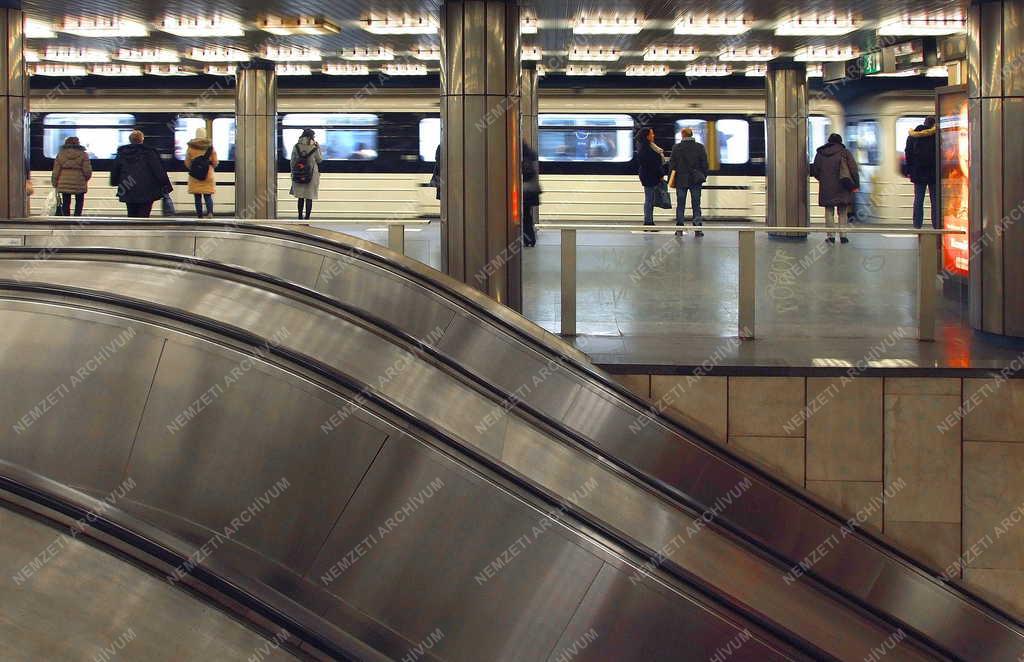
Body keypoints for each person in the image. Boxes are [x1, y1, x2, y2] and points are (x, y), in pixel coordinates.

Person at [810, 133, 860, 244]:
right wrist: (855, 185)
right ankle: (843, 236)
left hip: (827, 187)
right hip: (843, 186)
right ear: (840, 142)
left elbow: (815, 171)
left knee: (829, 212)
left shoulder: (820, 153)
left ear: (829, 141)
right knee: (842, 212)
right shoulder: (845, 153)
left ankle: (831, 236)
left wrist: (824, 179)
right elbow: (853, 170)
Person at [110, 130, 171, 218]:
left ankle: (132, 230)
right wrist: (165, 186)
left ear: (130, 140)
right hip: (147, 189)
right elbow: (159, 170)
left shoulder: (122, 152)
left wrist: (114, 182)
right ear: (142, 139)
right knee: (144, 215)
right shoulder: (150, 152)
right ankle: (142, 230)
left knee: (131, 214)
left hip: (128, 187)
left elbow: (115, 169)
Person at [668, 126, 708, 237]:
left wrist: (671, 179)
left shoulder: (677, 147)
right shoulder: (700, 147)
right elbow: (705, 164)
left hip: (681, 180)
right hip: (696, 180)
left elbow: (672, 165)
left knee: (680, 204)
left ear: (683, 135)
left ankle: (679, 228)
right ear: (691, 135)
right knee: (696, 204)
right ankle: (698, 228)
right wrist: (703, 176)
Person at [905, 116, 939, 229]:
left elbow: (908, 154)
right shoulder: (936, 136)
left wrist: (910, 170)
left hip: (918, 173)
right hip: (933, 174)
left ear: (924, 123)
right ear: (933, 125)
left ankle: (917, 225)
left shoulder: (912, 136)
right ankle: (936, 225)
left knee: (918, 200)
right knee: (935, 201)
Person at [51, 136, 92, 216]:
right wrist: (85, 179)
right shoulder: (83, 154)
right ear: (78, 143)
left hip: (64, 182)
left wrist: (54, 182)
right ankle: (77, 217)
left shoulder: (61, 154)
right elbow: (87, 171)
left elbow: (56, 170)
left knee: (66, 202)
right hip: (79, 182)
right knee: (79, 201)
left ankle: (66, 218)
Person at [184, 127, 218, 219]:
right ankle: (210, 213)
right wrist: (209, 167)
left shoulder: (191, 147)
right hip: (208, 175)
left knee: (197, 196)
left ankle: (200, 215)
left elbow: (187, 162)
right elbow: (215, 162)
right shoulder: (210, 147)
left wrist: (194, 169)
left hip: (195, 176)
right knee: (207, 195)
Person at [290, 128, 323, 220]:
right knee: (309, 197)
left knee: (300, 197)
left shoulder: (296, 146)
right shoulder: (315, 147)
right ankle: (307, 218)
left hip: (298, 173)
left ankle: (300, 217)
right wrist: (318, 147)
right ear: (310, 136)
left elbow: (292, 161)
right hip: (311, 175)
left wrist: (293, 173)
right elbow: (319, 159)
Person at [637, 127, 666, 227]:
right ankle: (648, 222)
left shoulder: (647, 146)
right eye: (651, 134)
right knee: (649, 200)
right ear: (647, 136)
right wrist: (661, 174)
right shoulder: (646, 148)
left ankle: (649, 220)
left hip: (649, 176)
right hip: (649, 177)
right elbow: (653, 164)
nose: (653, 135)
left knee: (650, 199)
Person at [522, 141, 541, 247]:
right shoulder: (531, 154)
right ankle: (529, 239)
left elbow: (526, 173)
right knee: (526, 215)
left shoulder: (525, 158)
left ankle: (529, 239)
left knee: (525, 216)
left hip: (526, 191)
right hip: (531, 191)